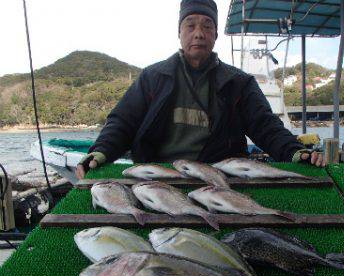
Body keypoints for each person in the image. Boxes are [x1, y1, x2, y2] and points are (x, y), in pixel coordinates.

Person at [76, 0, 325, 179]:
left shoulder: (238, 83)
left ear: (216, 34)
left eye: (207, 26)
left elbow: (265, 125)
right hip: (160, 175)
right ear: (179, 33)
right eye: (190, 25)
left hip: (218, 176)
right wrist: (99, 152)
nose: (199, 33)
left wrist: (294, 152)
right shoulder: (153, 77)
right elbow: (123, 122)